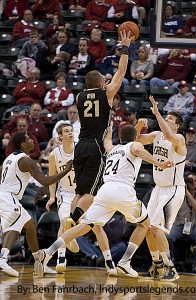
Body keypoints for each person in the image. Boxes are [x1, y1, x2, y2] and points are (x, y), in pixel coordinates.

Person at [34, 124, 172, 278]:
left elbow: (106, 141)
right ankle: (125, 262)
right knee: (145, 223)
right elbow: (138, 150)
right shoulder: (135, 144)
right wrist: (159, 163)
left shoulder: (113, 148)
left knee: (85, 226)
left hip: (105, 191)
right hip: (122, 190)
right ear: (134, 138)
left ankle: (48, 252)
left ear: (119, 138)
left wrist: (110, 129)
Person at [63, 29, 133, 276]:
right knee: (91, 195)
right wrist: (124, 47)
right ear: (101, 83)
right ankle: (73, 220)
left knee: (80, 191)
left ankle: (69, 220)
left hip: (80, 145)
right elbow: (122, 73)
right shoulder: (106, 93)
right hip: (94, 145)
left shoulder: (80, 96)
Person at [0, 132, 73, 277]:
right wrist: (66, 170)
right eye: (28, 139)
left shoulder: (9, 158)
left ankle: (39, 262)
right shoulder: (26, 161)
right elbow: (45, 182)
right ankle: (2, 260)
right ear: (23, 144)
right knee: (15, 227)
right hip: (9, 197)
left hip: (5, 196)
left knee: (29, 224)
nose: (32, 140)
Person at [135, 95, 187, 281]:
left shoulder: (179, 139)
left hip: (173, 190)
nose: (166, 120)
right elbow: (137, 140)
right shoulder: (156, 135)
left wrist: (156, 113)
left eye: (170, 119)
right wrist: (139, 125)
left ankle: (171, 268)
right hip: (158, 188)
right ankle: (156, 265)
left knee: (157, 228)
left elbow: (170, 136)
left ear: (177, 125)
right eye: (166, 118)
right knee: (147, 227)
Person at [45, 123, 78, 273]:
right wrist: (52, 197)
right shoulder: (54, 155)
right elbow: (52, 178)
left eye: (71, 130)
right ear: (60, 136)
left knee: (88, 225)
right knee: (64, 222)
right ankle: (61, 260)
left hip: (80, 193)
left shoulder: (80, 149)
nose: (70, 133)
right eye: (67, 131)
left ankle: (71, 237)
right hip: (64, 193)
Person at [167, 173, 196, 274]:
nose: (192, 183)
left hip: (194, 226)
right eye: (190, 180)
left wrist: (188, 195)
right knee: (168, 237)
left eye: (195, 181)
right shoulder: (178, 195)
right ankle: (169, 262)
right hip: (178, 225)